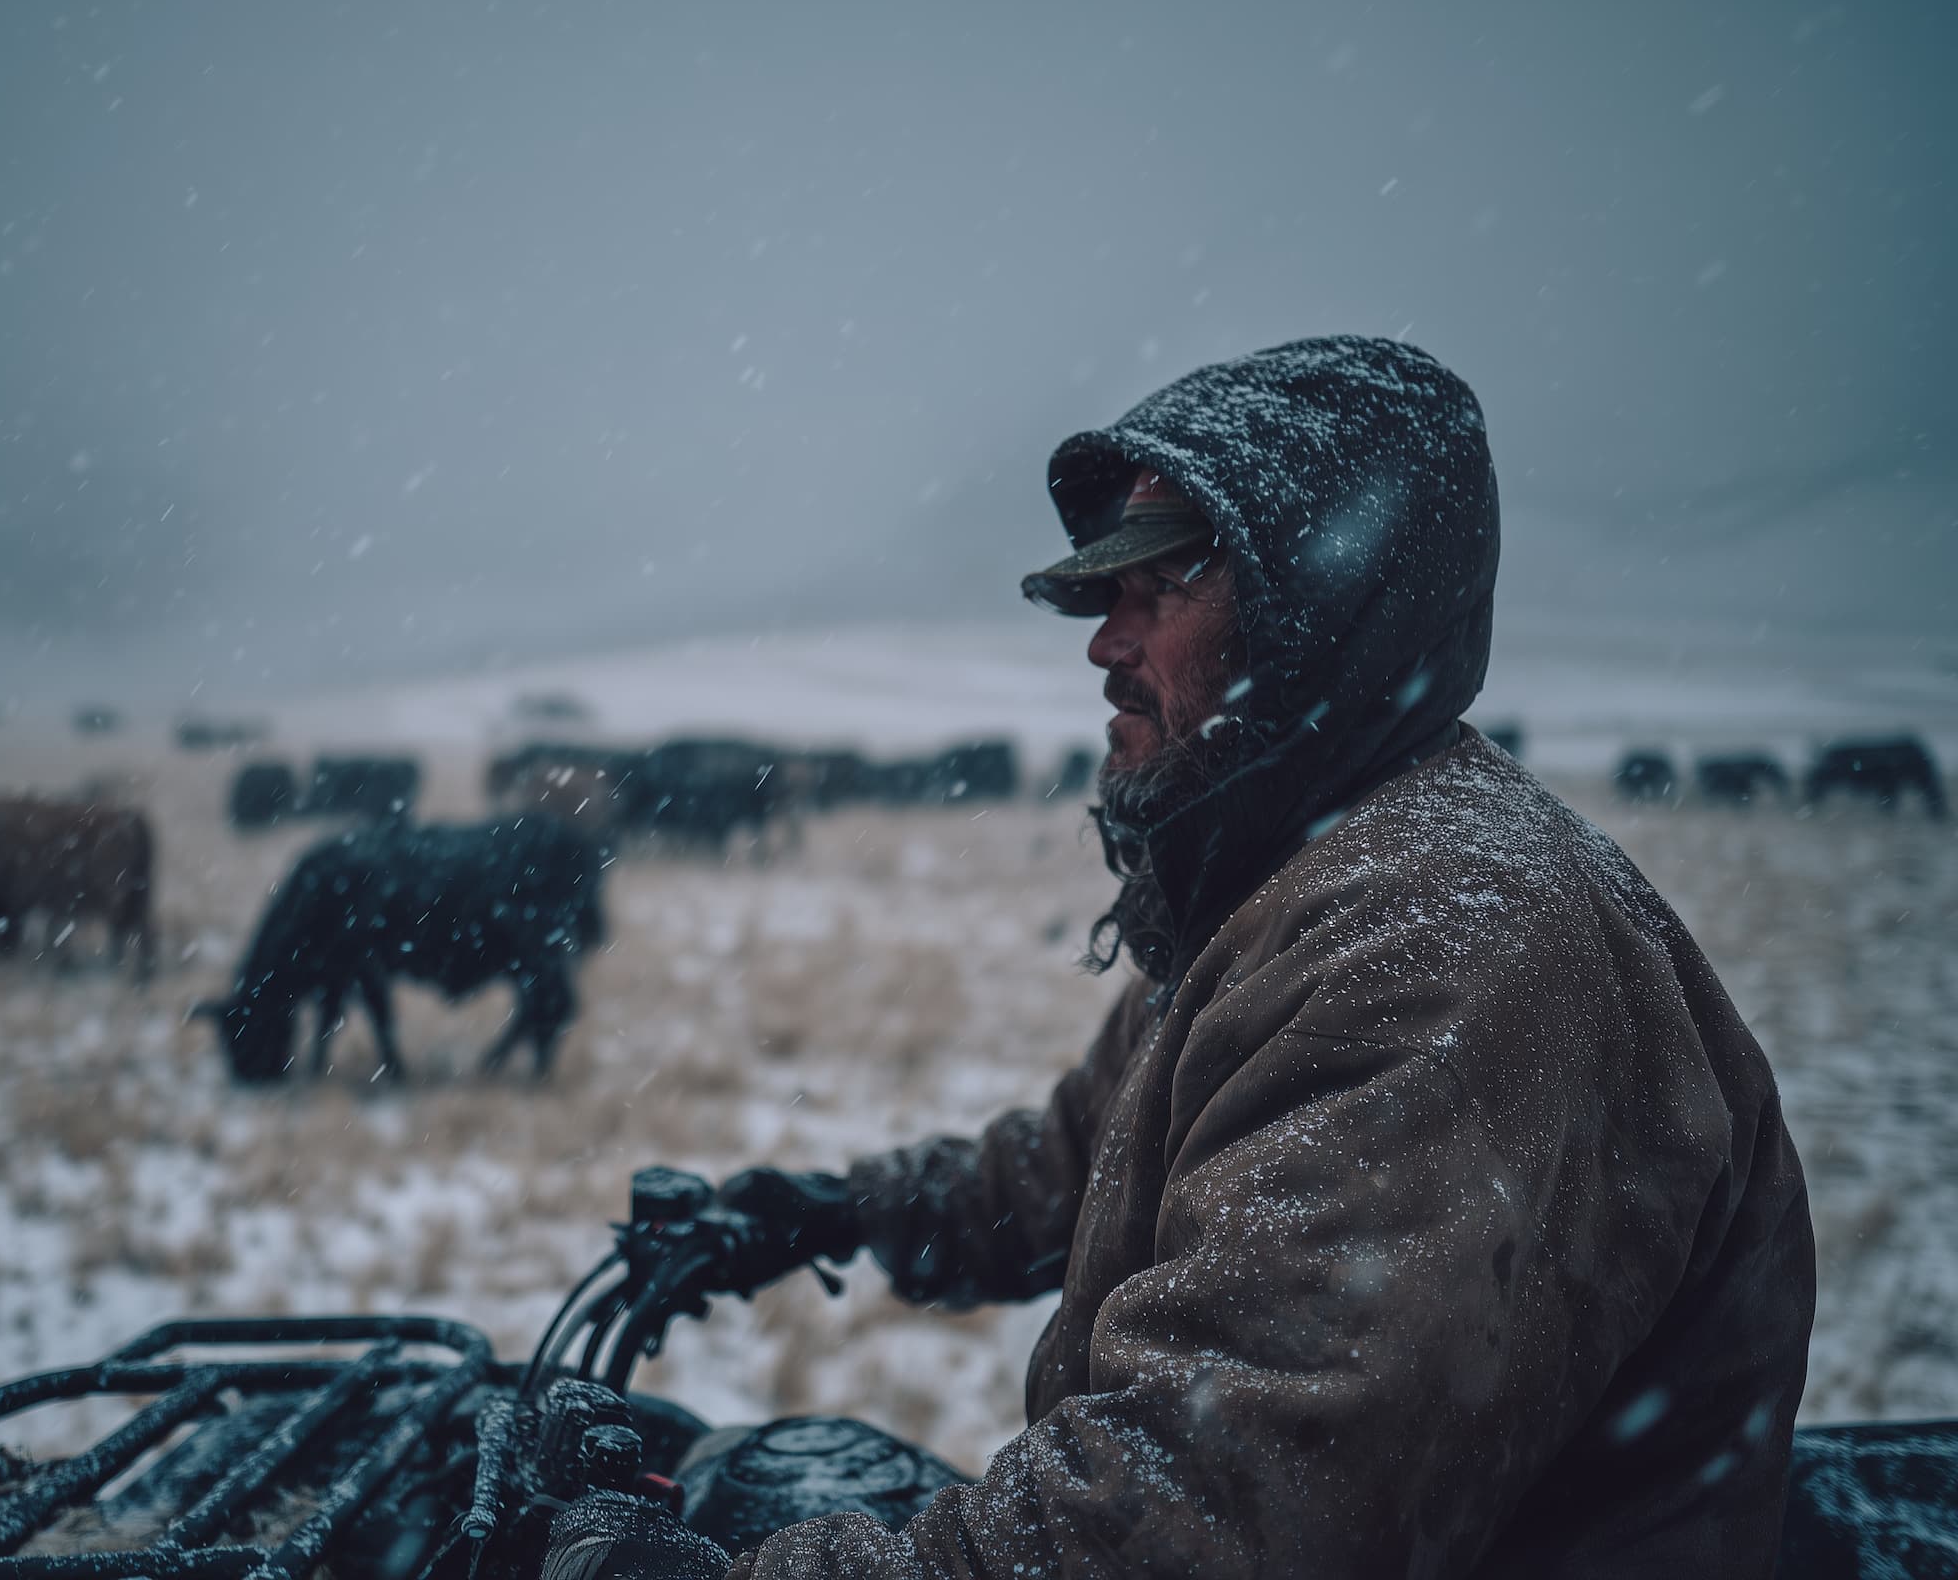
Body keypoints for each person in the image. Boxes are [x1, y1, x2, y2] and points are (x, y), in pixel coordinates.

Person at [701, 337, 1815, 1577]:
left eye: (1163, 584)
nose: (1104, 644)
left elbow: (1214, 1505)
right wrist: (831, 1211)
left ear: (1317, 613)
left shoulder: (1435, 938)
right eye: (1105, 593)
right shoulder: (1295, 875)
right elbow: (1083, 1162)